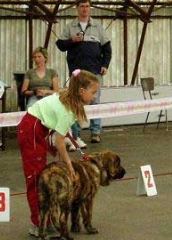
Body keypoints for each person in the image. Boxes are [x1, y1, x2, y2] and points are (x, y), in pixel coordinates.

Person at [17, 69, 99, 237]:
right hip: (32, 130)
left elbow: (59, 136)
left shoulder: (67, 98)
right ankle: (39, 224)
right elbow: (59, 142)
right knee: (36, 178)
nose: (94, 96)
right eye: (93, 92)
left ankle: (45, 221)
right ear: (81, 91)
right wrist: (70, 167)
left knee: (40, 175)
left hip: (38, 128)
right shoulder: (68, 110)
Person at [56, 0, 111, 144]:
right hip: (76, 73)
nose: (85, 9)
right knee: (75, 101)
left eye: (87, 6)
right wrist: (72, 40)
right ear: (77, 9)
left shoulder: (98, 26)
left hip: (94, 72)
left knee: (95, 101)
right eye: (82, 6)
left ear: (90, 8)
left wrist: (105, 64)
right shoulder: (70, 27)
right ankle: (76, 133)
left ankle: (96, 132)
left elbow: (107, 48)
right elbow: (60, 45)